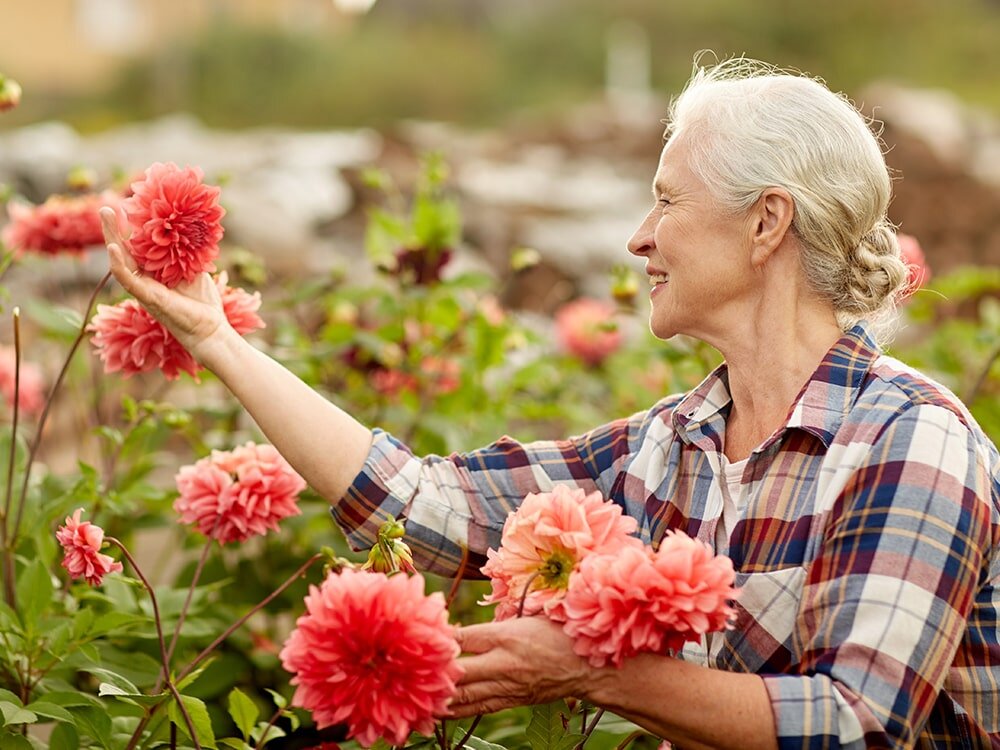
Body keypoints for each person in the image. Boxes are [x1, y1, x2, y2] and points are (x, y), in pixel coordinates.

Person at [100, 57, 1000, 749]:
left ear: (767, 223)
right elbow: (421, 504)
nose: (639, 236)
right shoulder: (674, 446)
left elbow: (856, 726)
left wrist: (595, 673)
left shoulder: (911, 439)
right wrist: (217, 340)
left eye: (665, 200)